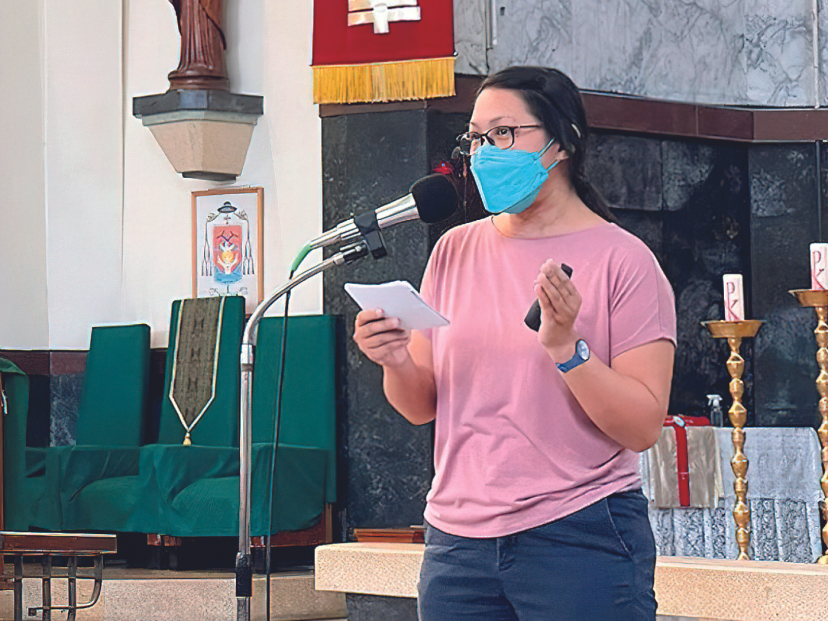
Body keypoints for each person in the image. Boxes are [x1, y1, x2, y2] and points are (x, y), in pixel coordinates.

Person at [353, 65, 677, 621]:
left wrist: (567, 348)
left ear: (563, 142)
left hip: (580, 533)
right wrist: (395, 358)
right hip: (458, 543)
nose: (483, 153)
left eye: (502, 133)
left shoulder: (624, 260)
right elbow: (420, 405)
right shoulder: (453, 250)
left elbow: (643, 426)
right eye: (475, 138)